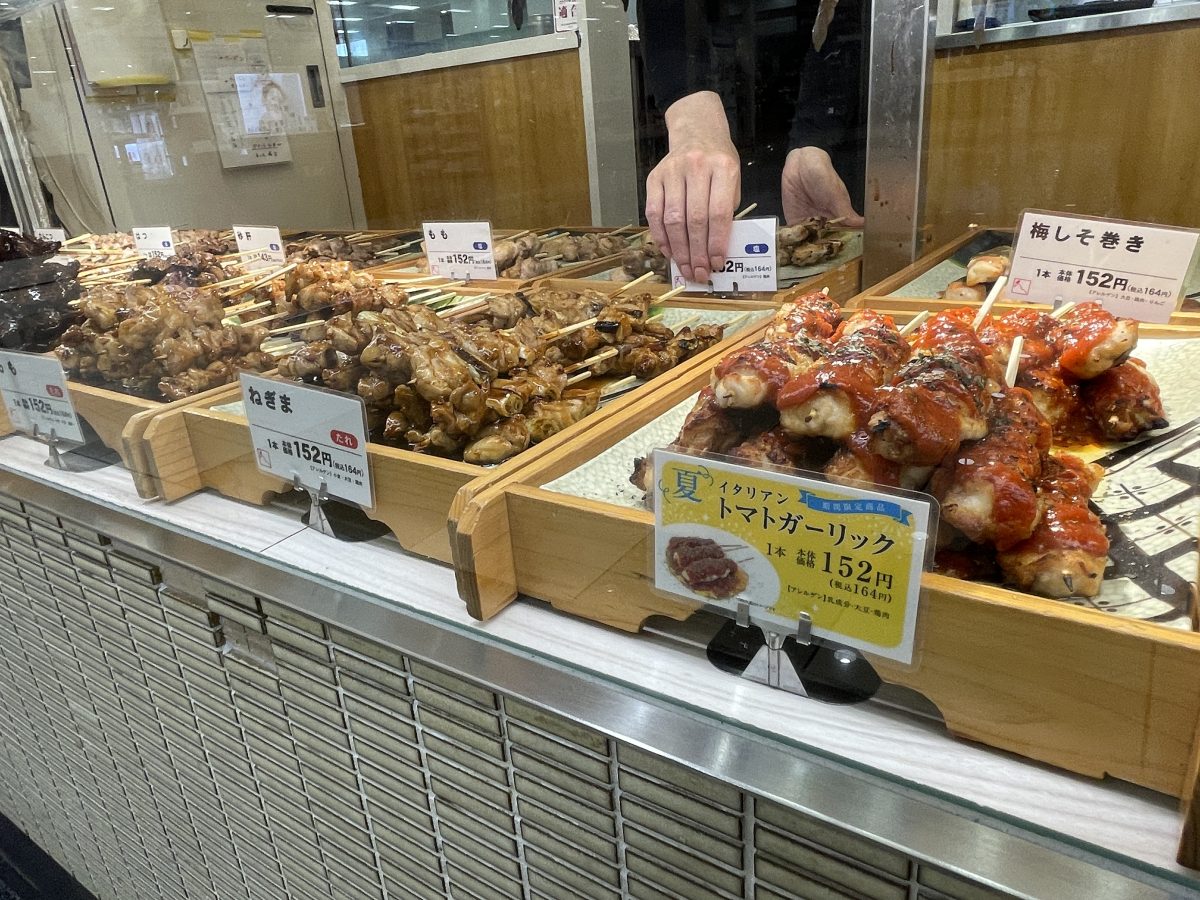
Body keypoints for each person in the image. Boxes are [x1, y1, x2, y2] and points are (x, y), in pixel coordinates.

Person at [637, 0, 866, 283]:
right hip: (710, 123)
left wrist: (812, 141)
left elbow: (831, 17)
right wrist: (691, 113)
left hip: (838, 134)